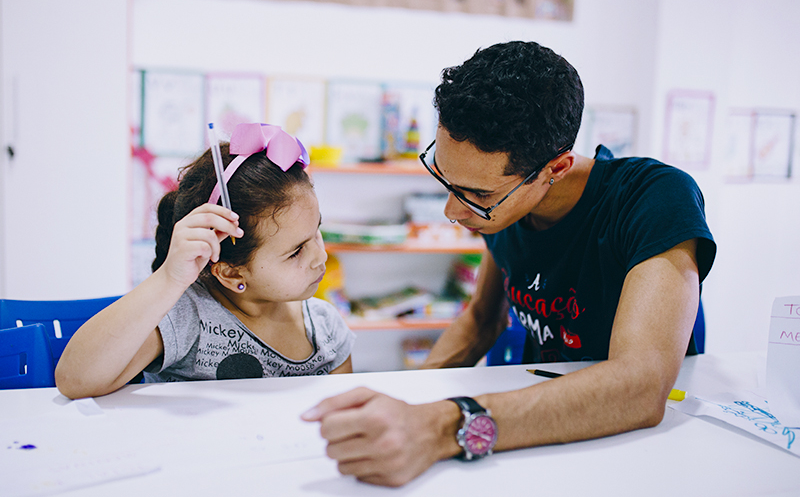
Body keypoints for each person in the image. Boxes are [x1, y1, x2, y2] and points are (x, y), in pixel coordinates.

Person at [301, 41, 716, 487]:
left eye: (478, 196)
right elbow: (481, 320)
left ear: (555, 169)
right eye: (445, 178)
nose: (452, 212)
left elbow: (640, 387)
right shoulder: (509, 205)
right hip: (536, 429)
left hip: (642, 446)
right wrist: (404, 402)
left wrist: (439, 426)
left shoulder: (654, 198)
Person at [56, 123, 355, 399]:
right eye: (296, 251)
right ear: (230, 272)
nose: (321, 256)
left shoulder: (326, 328)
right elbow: (74, 380)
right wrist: (168, 279)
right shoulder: (188, 317)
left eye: (316, 231)